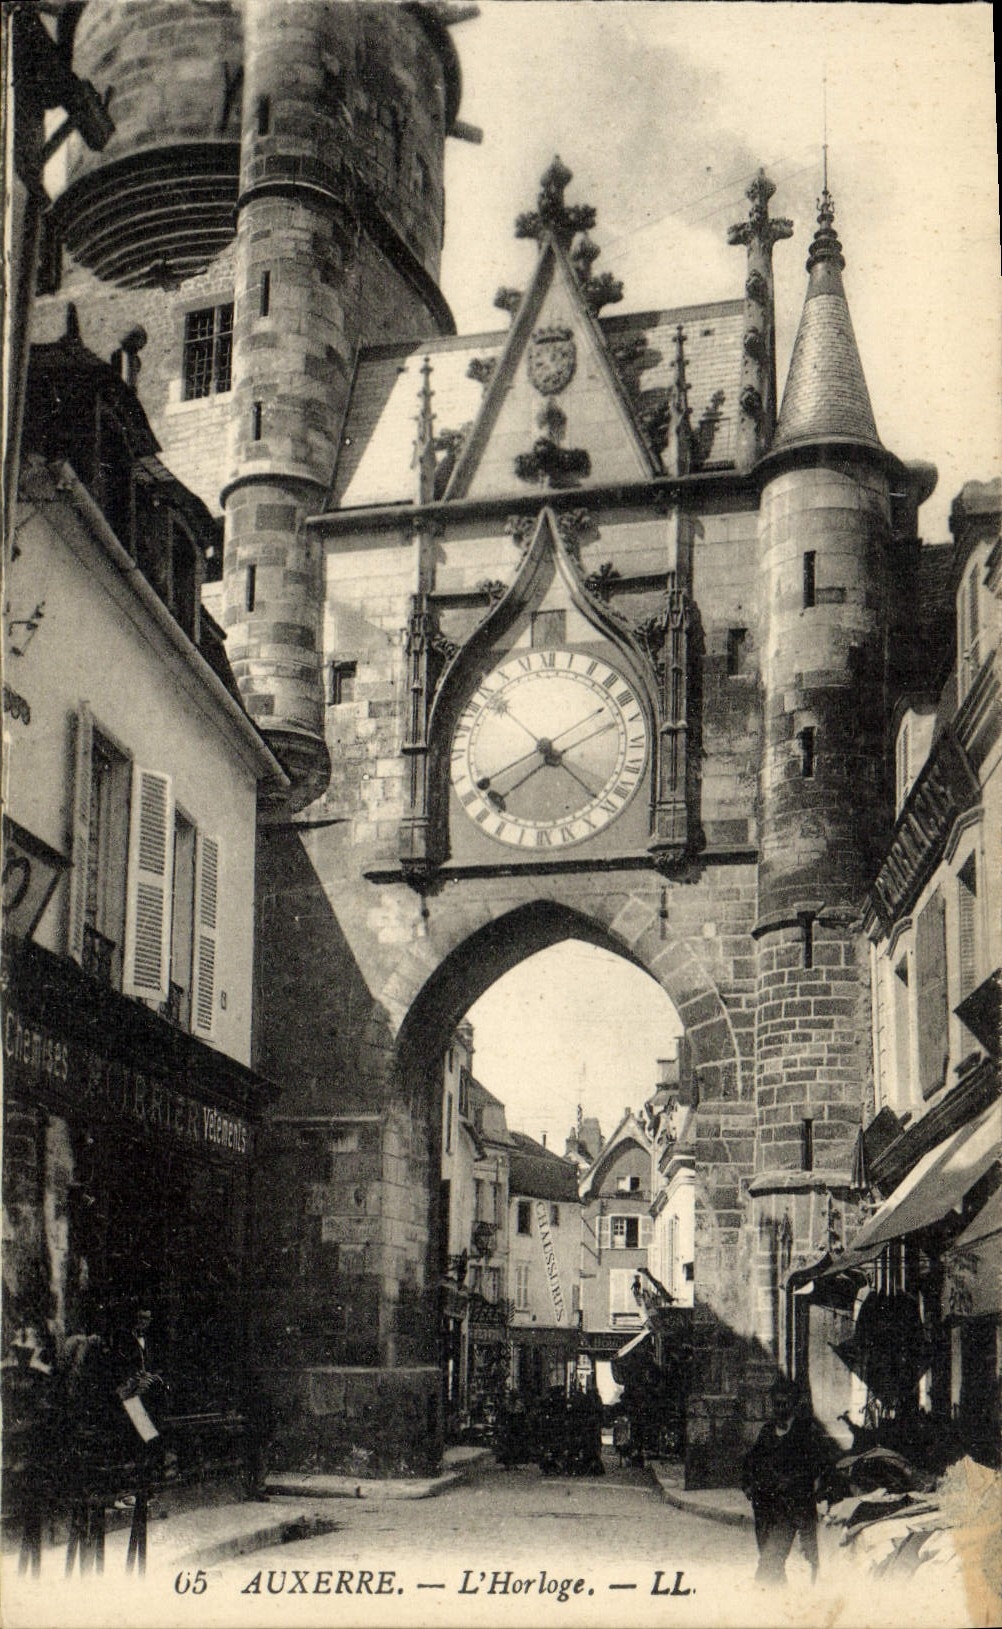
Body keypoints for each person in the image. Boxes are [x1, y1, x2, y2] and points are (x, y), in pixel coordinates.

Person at [742, 1375, 828, 1586]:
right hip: (764, 1507)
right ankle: (780, 1599)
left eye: (784, 1404)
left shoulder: (806, 1433)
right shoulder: (767, 1432)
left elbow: (815, 1468)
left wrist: (790, 1483)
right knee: (769, 1558)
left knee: (774, 1561)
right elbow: (751, 1460)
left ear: (794, 1405)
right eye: (776, 1404)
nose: (779, 1408)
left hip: (792, 1507)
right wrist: (747, 1484)